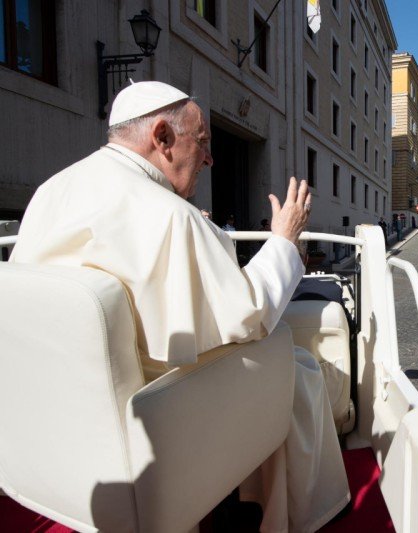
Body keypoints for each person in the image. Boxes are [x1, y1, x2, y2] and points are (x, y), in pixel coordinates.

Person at [9, 81, 348, 532]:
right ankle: (306, 514)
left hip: (55, 426)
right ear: (163, 137)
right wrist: (284, 241)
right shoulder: (170, 216)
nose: (209, 158)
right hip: (157, 433)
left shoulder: (52, 191)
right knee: (293, 361)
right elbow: (251, 315)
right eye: (203, 141)